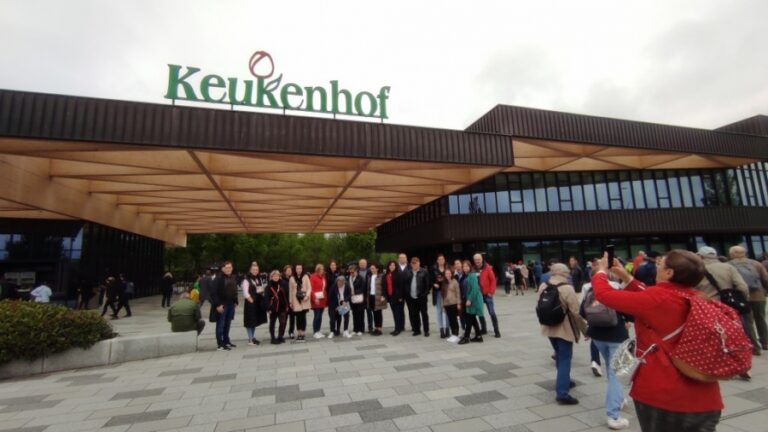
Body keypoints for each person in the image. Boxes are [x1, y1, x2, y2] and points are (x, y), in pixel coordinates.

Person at [594, 250, 723, 432]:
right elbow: (647, 294)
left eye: (660, 264)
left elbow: (604, 294)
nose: (656, 267)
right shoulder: (696, 297)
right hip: (704, 396)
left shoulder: (658, 298)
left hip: (665, 395)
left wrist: (600, 272)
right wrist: (626, 277)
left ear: (669, 273)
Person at [579, 272, 631, 429]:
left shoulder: (591, 290)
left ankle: (619, 399)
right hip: (616, 336)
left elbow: (582, 312)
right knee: (617, 374)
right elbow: (630, 313)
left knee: (611, 368)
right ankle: (613, 416)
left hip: (597, 336)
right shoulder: (617, 290)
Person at [537, 263, 586, 405]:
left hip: (548, 327)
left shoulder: (543, 285)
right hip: (564, 329)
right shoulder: (567, 288)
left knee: (559, 355)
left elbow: (538, 306)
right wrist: (585, 330)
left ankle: (565, 380)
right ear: (564, 273)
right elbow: (575, 312)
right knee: (565, 358)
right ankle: (562, 393)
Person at [696, 246, 752, 358]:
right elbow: (742, 286)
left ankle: (719, 356)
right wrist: (741, 299)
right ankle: (739, 354)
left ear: (700, 257)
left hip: (708, 306)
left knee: (714, 334)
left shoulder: (697, 270)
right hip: (730, 305)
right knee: (736, 330)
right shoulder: (728, 267)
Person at [729, 245, 768, 353]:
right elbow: (765, 279)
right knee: (761, 319)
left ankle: (754, 347)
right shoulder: (756, 264)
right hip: (759, 296)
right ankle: (765, 342)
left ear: (732, 254)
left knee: (748, 322)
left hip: (741, 297)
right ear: (745, 253)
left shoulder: (729, 265)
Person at [210, 261, 238, 351]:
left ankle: (226, 341)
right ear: (223, 269)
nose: (229, 269)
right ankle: (220, 344)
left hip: (231, 304)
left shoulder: (232, 277)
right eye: (227, 268)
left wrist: (235, 301)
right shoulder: (218, 278)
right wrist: (218, 305)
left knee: (227, 324)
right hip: (222, 304)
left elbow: (234, 290)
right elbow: (213, 293)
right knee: (220, 324)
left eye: (230, 267)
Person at [474, 253, 500, 338]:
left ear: (482, 259)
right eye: (476, 259)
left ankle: (496, 330)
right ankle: (483, 329)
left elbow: (493, 280)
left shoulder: (487, 268)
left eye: (479, 259)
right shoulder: (473, 269)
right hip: (479, 295)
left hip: (487, 294)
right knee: (480, 313)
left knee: (492, 312)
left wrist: (491, 292)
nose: (477, 261)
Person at [242, 262, 268, 345]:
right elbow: (245, 292)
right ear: (250, 270)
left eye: (256, 270)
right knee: (249, 321)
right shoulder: (246, 280)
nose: (255, 271)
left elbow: (261, 289)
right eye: (253, 270)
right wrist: (251, 300)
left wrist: (262, 294)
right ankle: (250, 339)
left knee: (254, 321)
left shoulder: (258, 279)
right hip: (250, 304)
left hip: (257, 303)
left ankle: (252, 337)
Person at [458, 260, 483, 344]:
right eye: (463, 266)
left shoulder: (472, 275)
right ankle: (479, 336)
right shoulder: (466, 275)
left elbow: (475, 289)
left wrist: (469, 299)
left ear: (470, 267)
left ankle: (466, 337)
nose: (465, 268)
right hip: (467, 299)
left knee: (469, 319)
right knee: (472, 318)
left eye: (466, 266)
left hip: (473, 300)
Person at [406, 256, 430, 337]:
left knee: (424, 314)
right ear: (411, 264)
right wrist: (408, 294)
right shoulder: (409, 272)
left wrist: (424, 294)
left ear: (419, 263)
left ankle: (426, 330)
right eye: (413, 263)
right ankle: (417, 330)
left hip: (422, 297)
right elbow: (406, 284)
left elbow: (427, 285)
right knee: (415, 314)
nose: (414, 265)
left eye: (415, 263)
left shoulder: (424, 272)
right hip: (412, 297)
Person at [266, 269, 289, 344]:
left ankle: (280, 336)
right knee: (272, 323)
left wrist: (287, 305)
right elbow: (266, 298)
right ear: (271, 277)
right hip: (273, 308)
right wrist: (268, 308)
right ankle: (273, 338)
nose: (276, 277)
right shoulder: (268, 286)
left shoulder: (282, 284)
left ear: (279, 276)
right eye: (274, 276)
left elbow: (286, 295)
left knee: (283, 322)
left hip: (282, 307)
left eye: (277, 276)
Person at [390, 254, 410, 335]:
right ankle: (401, 326)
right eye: (401, 258)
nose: (402, 259)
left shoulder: (410, 266)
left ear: (406, 259)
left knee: (411, 310)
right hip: (398, 293)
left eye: (404, 258)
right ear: (398, 259)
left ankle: (414, 326)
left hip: (408, 292)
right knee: (399, 310)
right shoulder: (395, 267)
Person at [441, 268, 461, 343]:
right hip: (447, 304)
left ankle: (456, 334)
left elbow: (458, 292)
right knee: (450, 320)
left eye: (449, 273)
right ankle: (453, 334)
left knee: (454, 319)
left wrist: (458, 303)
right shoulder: (444, 283)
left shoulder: (454, 281)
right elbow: (443, 295)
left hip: (454, 303)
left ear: (451, 274)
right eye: (446, 274)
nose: (448, 275)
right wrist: (443, 305)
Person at [431, 254, 449, 338]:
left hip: (447, 292)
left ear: (444, 260)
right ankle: (441, 329)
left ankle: (447, 328)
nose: (441, 260)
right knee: (439, 311)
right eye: (439, 259)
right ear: (437, 261)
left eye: (442, 259)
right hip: (438, 292)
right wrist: (434, 284)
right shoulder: (433, 269)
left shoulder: (448, 268)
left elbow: (451, 278)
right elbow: (430, 280)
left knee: (447, 310)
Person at [366, 262, 387, 336]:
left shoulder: (381, 276)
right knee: (374, 313)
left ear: (377, 269)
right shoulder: (370, 276)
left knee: (378, 313)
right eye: (371, 268)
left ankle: (379, 329)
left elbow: (384, 286)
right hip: (371, 296)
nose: (371, 269)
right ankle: (376, 328)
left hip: (378, 296)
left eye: (373, 268)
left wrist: (383, 295)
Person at [309, 264, 327, 339]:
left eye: (323, 269)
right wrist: (314, 298)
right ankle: (315, 332)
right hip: (316, 300)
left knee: (320, 317)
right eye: (321, 269)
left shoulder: (323, 277)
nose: (322, 270)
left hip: (322, 299)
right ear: (318, 269)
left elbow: (324, 288)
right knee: (317, 316)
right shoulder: (313, 277)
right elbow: (311, 289)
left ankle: (318, 331)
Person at [384, 261, 402, 335]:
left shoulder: (398, 274)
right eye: (390, 265)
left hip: (397, 297)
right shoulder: (387, 275)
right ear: (388, 266)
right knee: (394, 313)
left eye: (393, 265)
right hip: (390, 296)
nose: (392, 266)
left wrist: (400, 296)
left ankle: (398, 329)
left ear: (396, 266)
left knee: (397, 313)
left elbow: (401, 286)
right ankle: (397, 328)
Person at [288, 264, 304, 339]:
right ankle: (299, 333)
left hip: (303, 299)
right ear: (295, 269)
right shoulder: (292, 278)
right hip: (295, 300)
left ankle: (303, 332)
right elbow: (290, 291)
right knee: (298, 317)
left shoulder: (305, 277)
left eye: (300, 268)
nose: (299, 270)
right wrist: (290, 301)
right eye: (297, 268)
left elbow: (308, 288)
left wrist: (307, 296)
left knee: (303, 317)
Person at [350, 265, 366, 336]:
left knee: (360, 314)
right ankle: (355, 329)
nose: (351, 273)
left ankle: (361, 329)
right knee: (354, 314)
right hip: (353, 299)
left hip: (359, 299)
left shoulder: (361, 278)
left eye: (353, 272)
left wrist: (355, 292)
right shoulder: (349, 278)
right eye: (350, 272)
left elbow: (363, 289)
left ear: (356, 271)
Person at [326, 260, 340, 336]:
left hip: (339, 297)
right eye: (332, 265)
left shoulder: (339, 273)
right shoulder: (327, 274)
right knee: (332, 315)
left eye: (334, 265)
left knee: (339, 314)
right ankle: (332, 330)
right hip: (331, 297)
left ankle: (338, 329)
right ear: (329, 266)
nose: (333, 266)